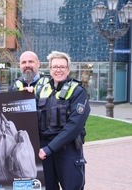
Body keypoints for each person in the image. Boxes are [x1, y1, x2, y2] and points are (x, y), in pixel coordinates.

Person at [36, 51, 90, 190]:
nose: (58, 70)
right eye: (54, 67)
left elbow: (75, 125)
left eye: (62, 67)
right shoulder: (41, 89)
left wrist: (50, 148)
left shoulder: (78, 91)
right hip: (44, 151)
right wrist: (25, 94)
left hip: (68, 150)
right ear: (50, 69)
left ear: (68, 69)